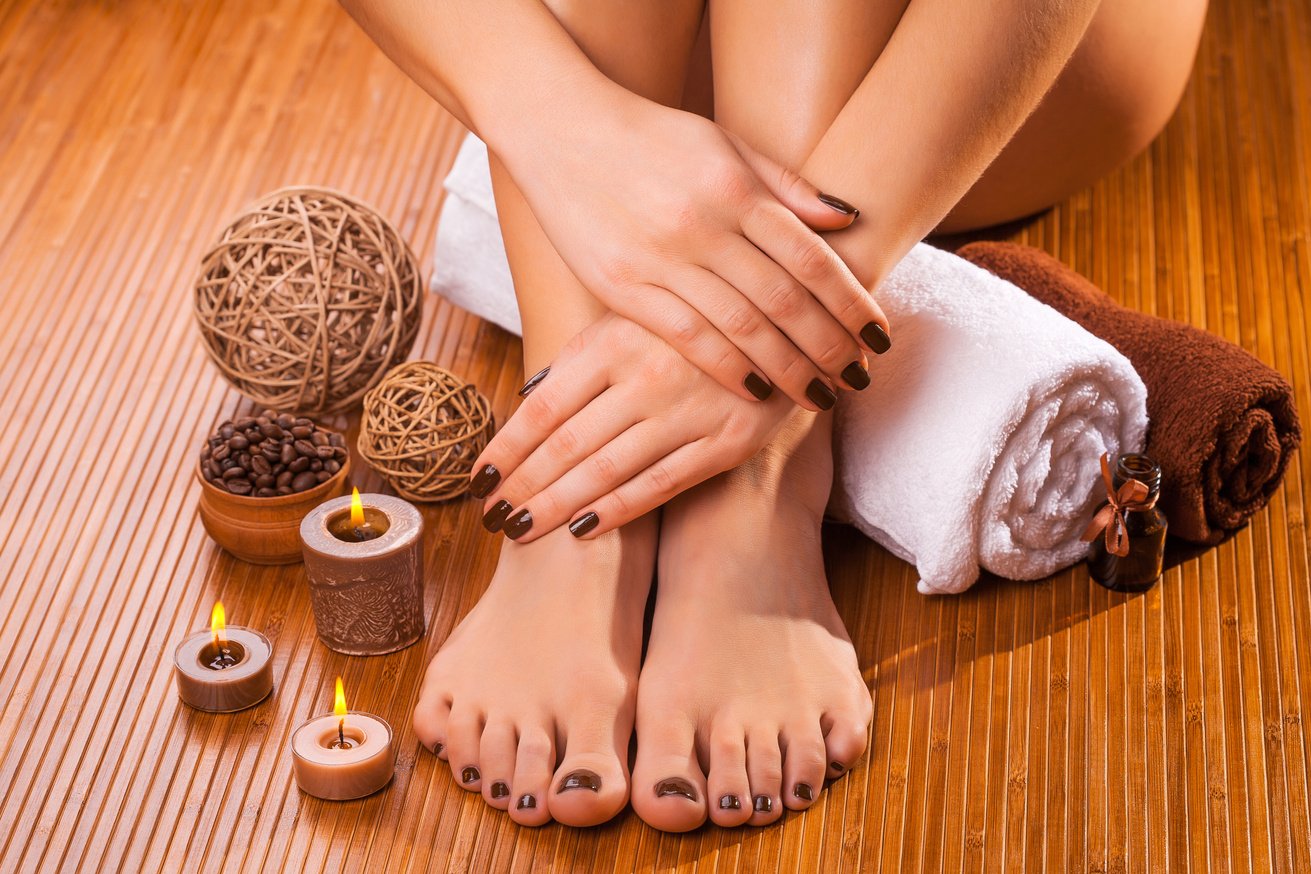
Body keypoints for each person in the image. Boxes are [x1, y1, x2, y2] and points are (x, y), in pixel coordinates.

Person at [340, 0, 1206, 831]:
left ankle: (752, 486)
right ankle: (578, 486)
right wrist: (561, 125)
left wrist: (778, 327)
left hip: (989, 75)